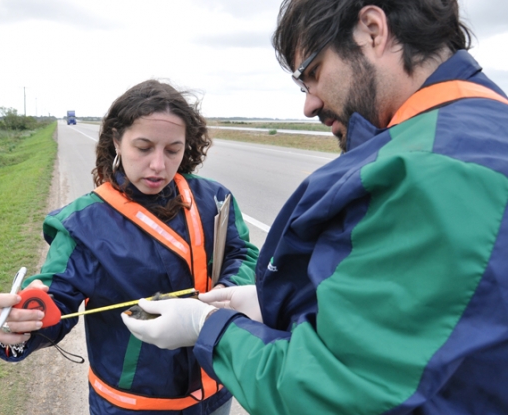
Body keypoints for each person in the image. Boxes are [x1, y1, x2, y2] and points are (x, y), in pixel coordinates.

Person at [121, 1, 508, 414]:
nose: (309, 104)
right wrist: (282, 307)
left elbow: (337, 391)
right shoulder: (482, 130)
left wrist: (208, 329)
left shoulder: (430, 172)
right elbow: (425, 337)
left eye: (312, 73)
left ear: (372, 31)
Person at [0, 79, 259, 415]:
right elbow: (54, 300)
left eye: (173, 150)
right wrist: (19, 326)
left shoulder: (213, 198)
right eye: (144, 148)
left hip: (217, 390)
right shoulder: (83, 224)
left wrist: (227, 289)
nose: (158, 165)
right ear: (117, 141)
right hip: (133, 406)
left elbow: (243, 253)